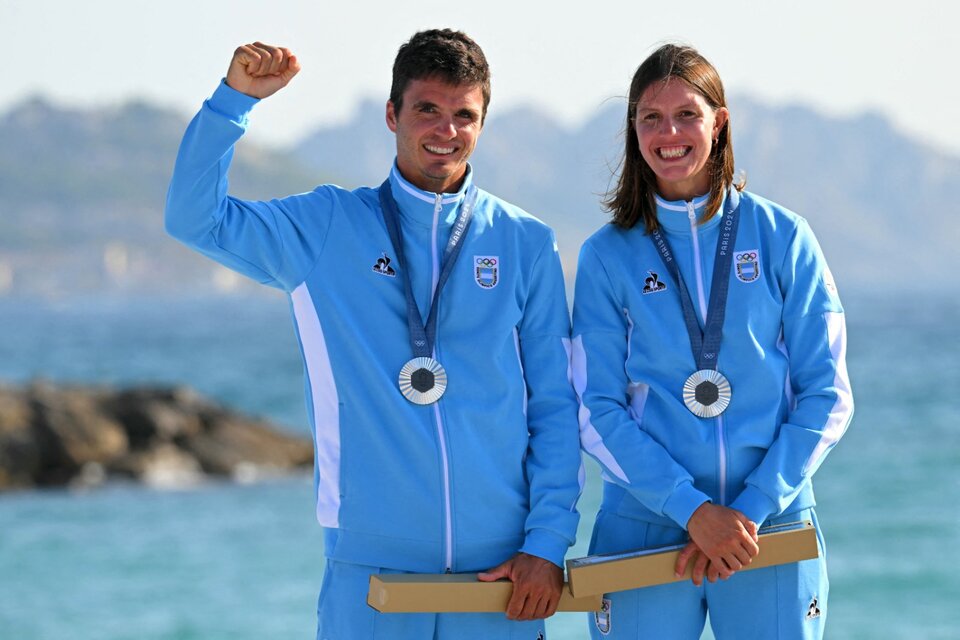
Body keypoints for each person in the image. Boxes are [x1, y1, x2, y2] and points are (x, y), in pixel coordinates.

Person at [165, 30, 582, 639]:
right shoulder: (326, 227)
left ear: (483, 123)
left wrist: (546, 544)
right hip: (371, 575)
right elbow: (194, 218)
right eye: (427, 110)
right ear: (392, 115)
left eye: (465, 115)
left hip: (500, 577)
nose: (447, 130)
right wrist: (234, 102)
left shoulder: (525, 242)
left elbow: (554, 406)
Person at [571, 44, 853, 639]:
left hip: (768, 529)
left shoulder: (783, 237)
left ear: (719, 121)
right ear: (634, 128)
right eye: (651, 117)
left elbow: (826, 395)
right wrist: (692, 510)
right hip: (644, 525)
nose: (668, 133)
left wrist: (745, 513)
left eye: (687, 115)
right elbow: (595, 409)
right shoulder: (605, 255)